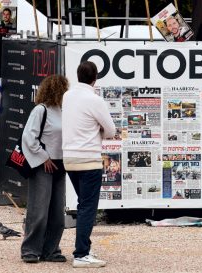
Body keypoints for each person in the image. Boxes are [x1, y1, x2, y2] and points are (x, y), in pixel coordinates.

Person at [62, 61, 115, 268]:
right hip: (89, 159)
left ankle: (84, 247)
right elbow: (110, 130)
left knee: (83, 205)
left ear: (77, 75)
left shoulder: (67, 96)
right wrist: (100, 132)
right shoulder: (95, 100)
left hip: (69, 158)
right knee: (87, 208)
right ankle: (81, 254)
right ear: (95, 78)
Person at [21, 75, 69, 263]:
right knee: (38, 210)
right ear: (58, 89)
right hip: (43, 166)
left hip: (61, 164)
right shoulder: (40, 111)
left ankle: (51, 250)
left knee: (57, 212)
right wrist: (44, 157)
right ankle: (30, 250)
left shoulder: (63, 111)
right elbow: (29, 137)